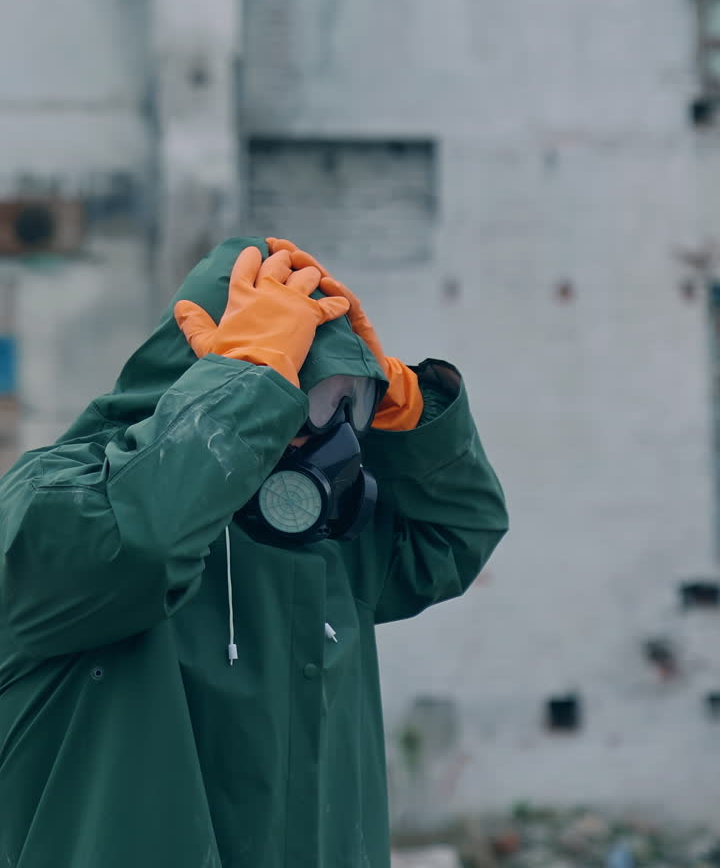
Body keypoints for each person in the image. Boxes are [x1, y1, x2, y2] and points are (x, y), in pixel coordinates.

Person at [0, 236, 508, 868]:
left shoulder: (316, 539)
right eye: (303, 400)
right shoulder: (53, 500)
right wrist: (249, 385)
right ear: (201, 374)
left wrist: (410, 412)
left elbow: (458, 535)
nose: (326, 442)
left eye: (344, 410)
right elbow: (138, 544)